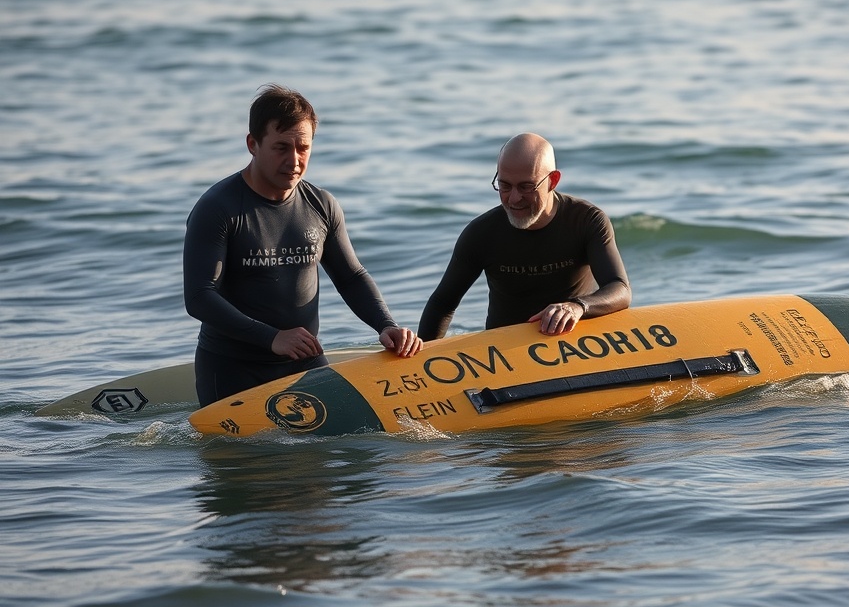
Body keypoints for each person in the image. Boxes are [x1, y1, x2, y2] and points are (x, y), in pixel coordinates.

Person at [184, 84, 421, 407]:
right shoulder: (219, 208)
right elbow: (199, 297)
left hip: (303, 362)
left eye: (303, 147)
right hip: (233, 368)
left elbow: (350, 277)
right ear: (253, 144)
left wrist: (385, 325)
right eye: (281, 147)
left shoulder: (321, 205)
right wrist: (272, 338)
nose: (294, 160)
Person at [418, 132, 631, 340]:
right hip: (504, 352)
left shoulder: (586, 221)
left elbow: (619, 289)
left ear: (553, 180)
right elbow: (442, 304)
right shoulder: (481, 234)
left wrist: (577, 306)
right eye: (504, 185)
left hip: (574, 345)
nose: (514, 198)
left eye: (526, 186)